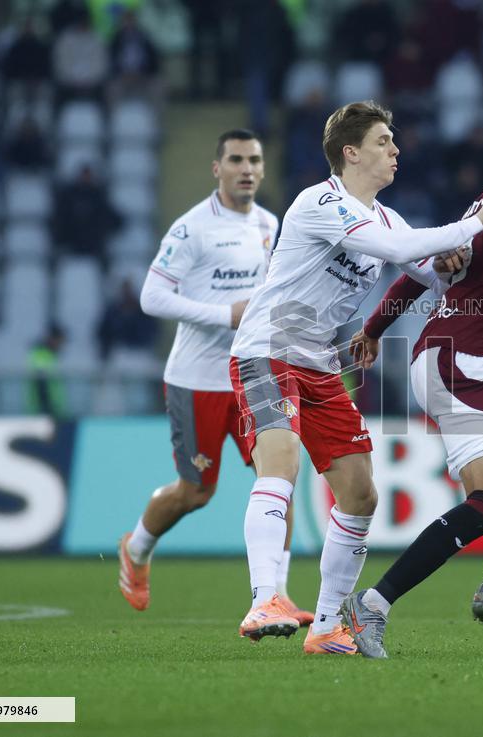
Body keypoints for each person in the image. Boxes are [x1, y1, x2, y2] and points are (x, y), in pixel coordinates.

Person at [228, 101, 483, 656]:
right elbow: (400, 252)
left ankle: (328, 626)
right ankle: (266, 596)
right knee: (280, 457)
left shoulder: (388, 217)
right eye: (384, 141)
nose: (396, 150)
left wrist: (453, 262)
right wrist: (473, 222)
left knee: (360, 494)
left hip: (320, 365)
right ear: (351, 152)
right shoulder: (318, 202)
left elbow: (426, 271)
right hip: (267, 349)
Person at [342, 110, 483, 658]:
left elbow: (420, 269)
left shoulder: (481, 207)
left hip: (456, 358)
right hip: (462, 364)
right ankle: (372, 605)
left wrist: (375, 328)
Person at [117, 130, 312, 626]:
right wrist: (225, 314)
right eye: (236, 160)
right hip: (198, 379)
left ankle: (279, 596)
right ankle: (137, 548)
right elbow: (152, 298)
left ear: (263, 169)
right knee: (196, 492)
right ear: (216, 168)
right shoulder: (192, 229)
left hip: (255, 373)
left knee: (279, 477)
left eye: (254, 160)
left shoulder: (272, 224)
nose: (246, 168)